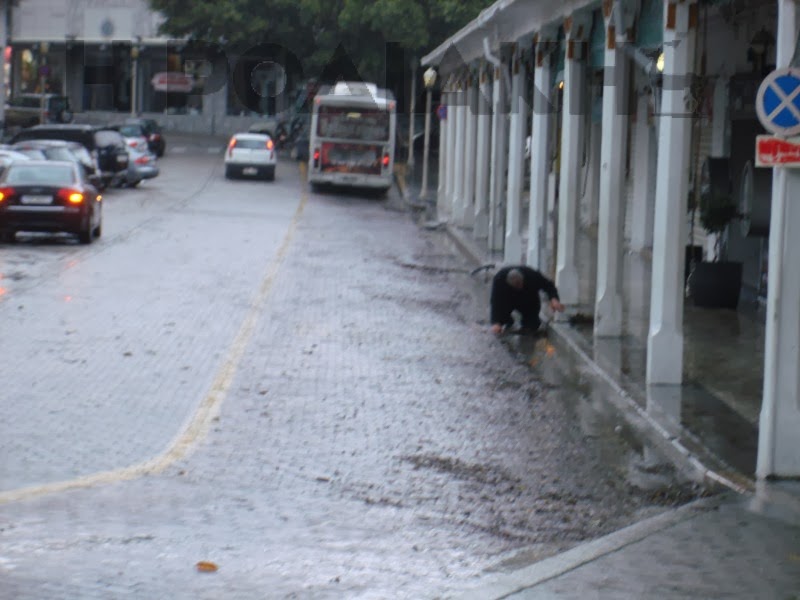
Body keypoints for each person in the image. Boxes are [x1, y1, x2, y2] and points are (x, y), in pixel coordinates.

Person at [490, 265, 565, 335]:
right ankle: (507, 320)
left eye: (520, 284)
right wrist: (495, 322)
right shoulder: (499, 280)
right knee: (501, 319)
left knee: (532, 325)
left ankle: (529, 323)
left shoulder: (531, 275)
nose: (519, 287)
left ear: (522, 278)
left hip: (528, 300)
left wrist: (554, 299)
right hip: (508, 300)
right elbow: (495, 301)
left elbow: (548, 285)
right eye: (516, 285)